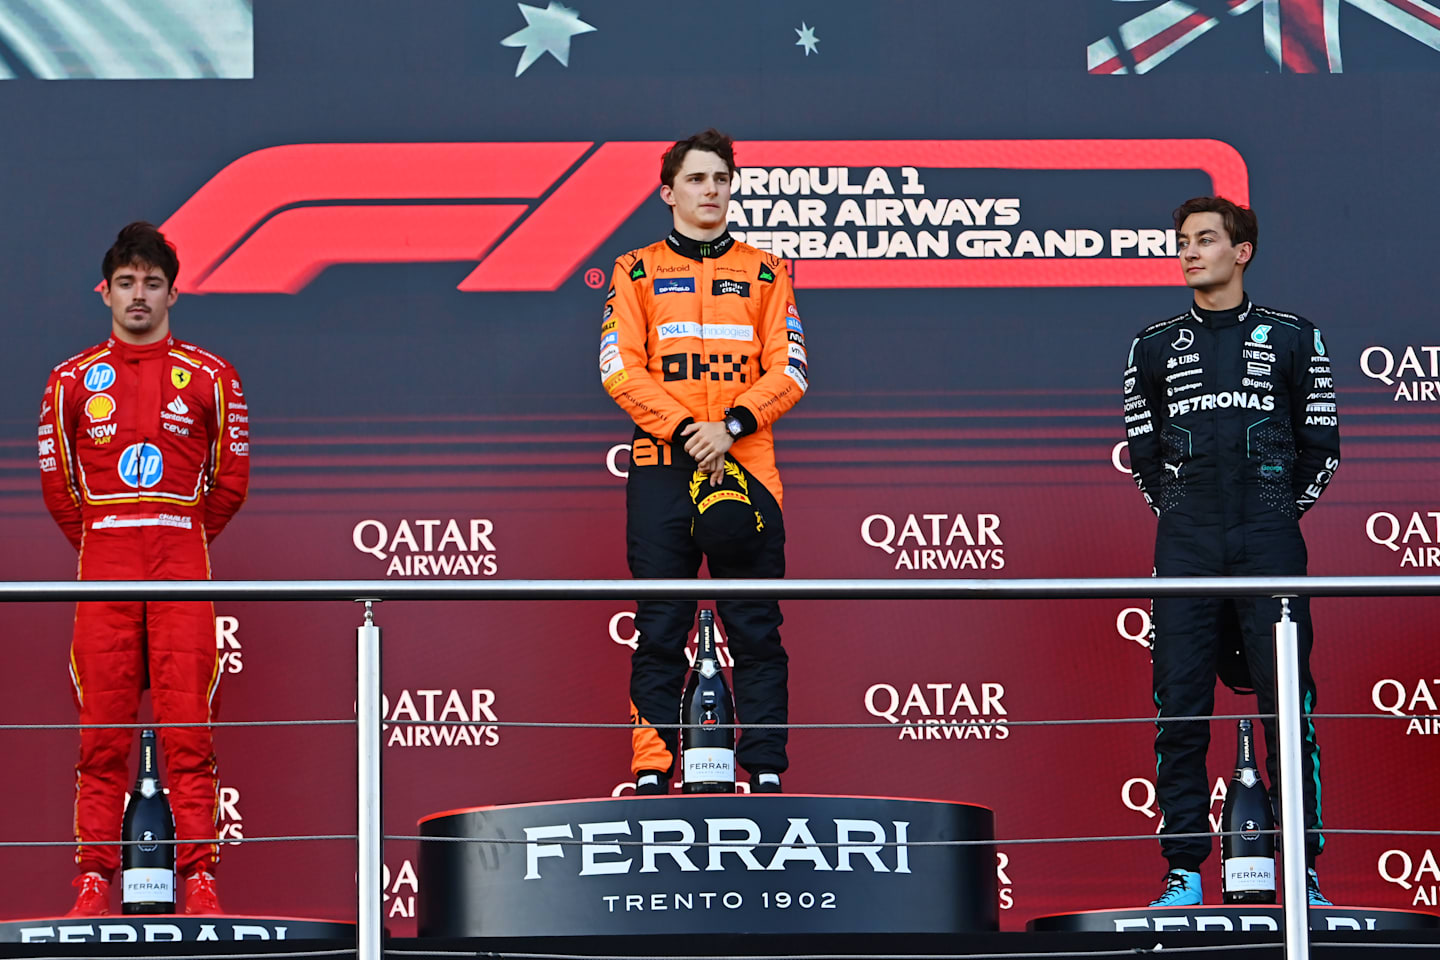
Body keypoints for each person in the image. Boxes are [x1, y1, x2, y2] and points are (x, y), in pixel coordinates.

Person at [1123, 197, 1339, 907]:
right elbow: (1145, 454)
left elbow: (1322, 450)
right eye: (1182, 242)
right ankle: (1183, 870)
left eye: (1206, 240)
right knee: (1179, 711)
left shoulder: (1295, 338)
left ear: (1241, 252)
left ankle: (1300, 872)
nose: (1189, 253)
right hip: (1185, 544)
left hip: (1268, 541)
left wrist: (1274, 515)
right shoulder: (1151, 346)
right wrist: (1183, 514)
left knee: (1288, 712)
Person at [39, 222, 250, 916]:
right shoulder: (69, 381)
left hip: (182, 569)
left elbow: (229, 485)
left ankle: (201, 882)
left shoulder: (213, 376)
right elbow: (59, 492)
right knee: (100, 739)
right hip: (103, 573)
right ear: (106, 292)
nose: (139, 296)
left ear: (173, 293)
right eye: (126, 283)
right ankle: (94, 881)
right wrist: (106, 541)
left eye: (152, 284)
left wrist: (178, 534)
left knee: (191, 736)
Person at [601, 129, 807, 795]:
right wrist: (692, 428)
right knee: (661, 624)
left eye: (720, 178)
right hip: (663, 465)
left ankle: (767, 768)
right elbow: (618, 369)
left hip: (748, 468)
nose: (710, 190)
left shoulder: (767, 271)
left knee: (756, 626)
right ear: (668, 192)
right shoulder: (633, 272)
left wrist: (735, 426)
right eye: (695, 179)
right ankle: (653, 768)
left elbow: (792, 367)